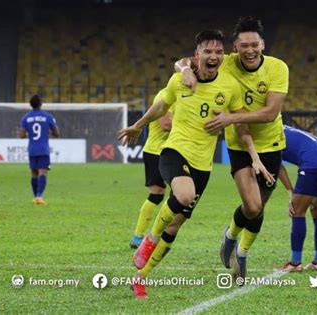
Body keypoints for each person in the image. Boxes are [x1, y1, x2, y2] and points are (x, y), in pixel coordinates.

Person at [118, 30, 273, 300]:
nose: (213, 56)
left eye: (218, 52)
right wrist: (137, 126)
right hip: (174, 151)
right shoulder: (180, 79)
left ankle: (141, 278)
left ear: (223, 56)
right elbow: (160, 106)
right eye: (207, 52)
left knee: (175, 226)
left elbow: (241, 126)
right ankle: (148, 240)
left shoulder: (229, 87)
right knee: (184, 194)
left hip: (204, 165)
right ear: (197, 54)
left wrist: (255, 158)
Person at [175, 16, 289, 281]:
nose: (249, 50)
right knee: (251, 205)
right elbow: (181, 61)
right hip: (239, 143)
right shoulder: (225, 62)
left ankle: (241, 251)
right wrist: (185, 71)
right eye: (243, 45)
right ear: (235, 48)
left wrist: (231, 117)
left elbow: (271, 113)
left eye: (254, 44)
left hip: (271, 144)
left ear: (263, 44)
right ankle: (230, 236)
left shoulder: (277, 68)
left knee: (258, 208)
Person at [277, 126, 317, 272]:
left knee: (297, 211)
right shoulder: (285, 128)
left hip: (313, 164)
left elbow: (277, 167)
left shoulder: (269, 135)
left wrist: (291, 192)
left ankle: (294, 263)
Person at [129, 88, 173, 249]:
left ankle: (161, 232)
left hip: (173, 150)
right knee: (156, 194)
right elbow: (166, 124)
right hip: (157, 152)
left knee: (180, 194)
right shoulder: (166, 95)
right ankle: (138, 236)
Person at [18, 95, 60, 205]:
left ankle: (35, 197)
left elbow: (21, 135)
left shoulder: (26, 117)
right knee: (43, 172)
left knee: (34, 173)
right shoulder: (48, 116)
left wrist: (30, 133)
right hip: (43, 149)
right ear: (41, 103)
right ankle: (39, 196)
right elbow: (57, 133)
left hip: (32, 149)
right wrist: (47, 132)